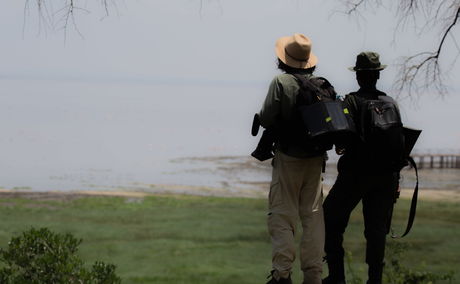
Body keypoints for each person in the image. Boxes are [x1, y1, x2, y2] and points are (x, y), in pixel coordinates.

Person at [322, 52, 400, 284]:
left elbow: (341, 141)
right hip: (386, 176)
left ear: (358, 77)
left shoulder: (351, 101)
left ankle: (336, 277)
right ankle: (374, 280)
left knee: (329, 220)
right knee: (376, 230)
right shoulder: (390, 103)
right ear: (377, 75)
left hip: (356, 174)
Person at [258, 33, 330, 284]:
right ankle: (313, 275)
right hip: (316, 157)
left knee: (282, 215)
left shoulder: (281, 82)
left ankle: (282, 274)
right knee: (313, 216)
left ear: (283, 59)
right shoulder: (320, 84)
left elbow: (267, 118)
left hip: (289, 156)